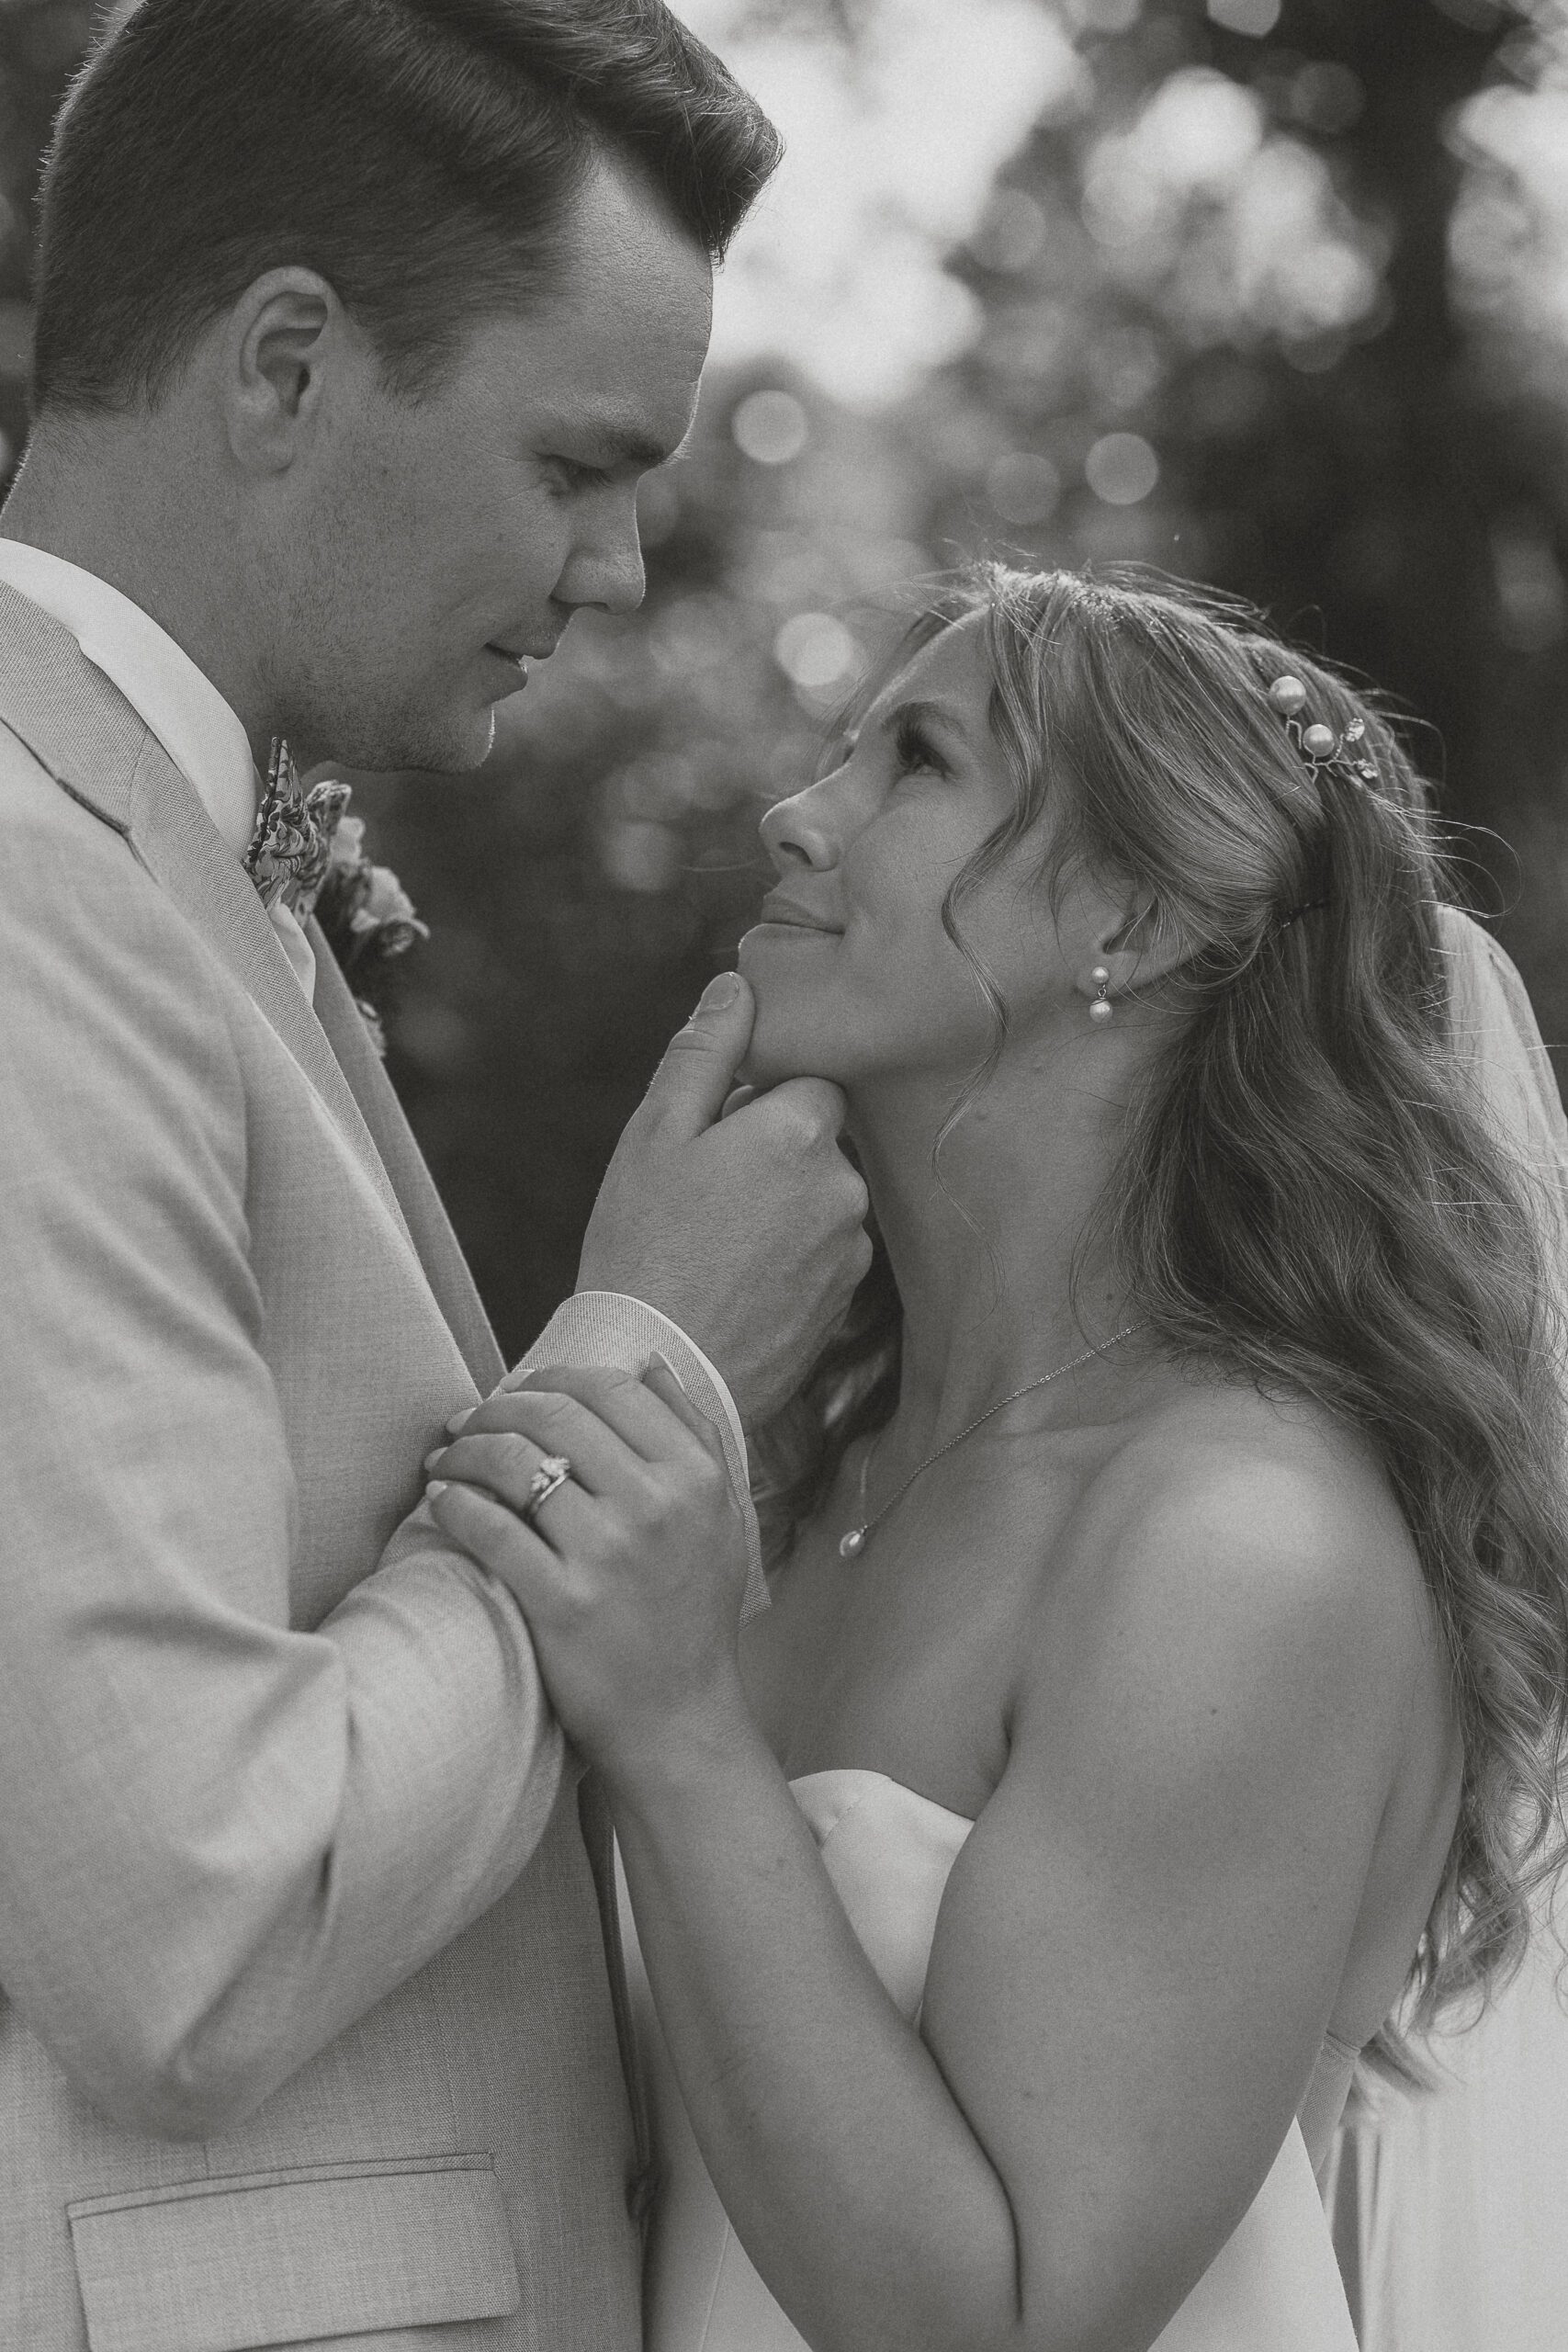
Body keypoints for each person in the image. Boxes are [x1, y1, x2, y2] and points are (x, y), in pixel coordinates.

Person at [0, 5, 871, 2348]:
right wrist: (652, 1370)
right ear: (285, 363)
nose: (621, 567)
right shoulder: (23, 890)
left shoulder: (175, 850)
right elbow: (187, 1912)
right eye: (576, 462)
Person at [426, 567, 1568, 2351]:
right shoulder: (794, 1476)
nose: (795, 813)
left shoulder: (1238, 1538)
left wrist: (676, 1726)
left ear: (1127, 920)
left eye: (916, 762)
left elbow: (1017, 2320)